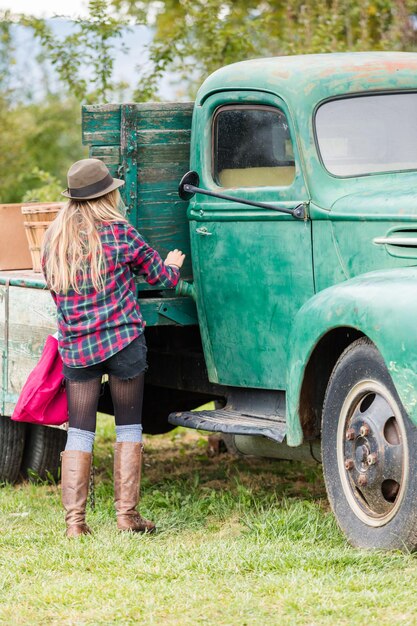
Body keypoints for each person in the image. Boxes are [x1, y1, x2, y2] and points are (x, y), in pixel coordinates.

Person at [41, 158, 185, 538]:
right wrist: (172, 265)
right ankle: (127, 516)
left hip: (78, 347)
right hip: (122, 342)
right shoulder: (121, 233)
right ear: (108, 196)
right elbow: (160, 276)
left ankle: (75, 524)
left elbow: (56, 293)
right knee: (128, 426)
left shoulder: (53, 239)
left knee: (80, 432)